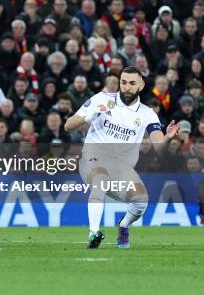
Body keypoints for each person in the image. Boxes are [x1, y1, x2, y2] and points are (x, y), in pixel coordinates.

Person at [65, 66, 180, 250]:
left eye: (132, 83)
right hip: (92, 159)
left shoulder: (147, 113)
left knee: (141, 201)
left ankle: (123, 226)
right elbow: (68, 125)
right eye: (123, 82)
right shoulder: (101, 99)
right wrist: (89, 116)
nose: (126, 87)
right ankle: (93, 233)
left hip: (121, 169)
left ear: (141, 85)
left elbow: (158, 145)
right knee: (100, 181)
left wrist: (167, 137)